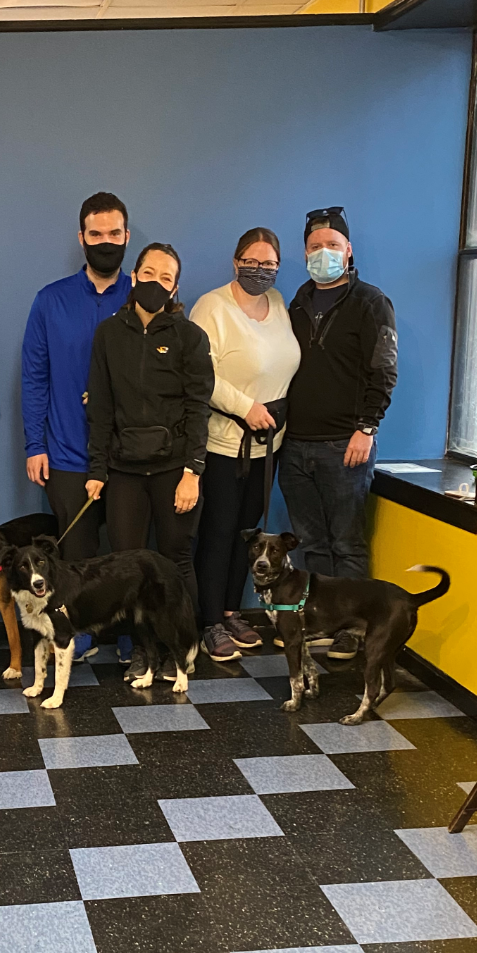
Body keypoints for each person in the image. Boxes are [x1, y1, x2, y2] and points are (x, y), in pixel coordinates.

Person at [85, 242, 213, 680]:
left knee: (177, 559)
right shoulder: (107, 334)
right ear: (133, 275)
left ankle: (184, 647)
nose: (155, 282)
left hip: (176, 469)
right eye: (148, 273)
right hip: (123, 472)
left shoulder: (190, 337)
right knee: (127, 565)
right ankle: (142, 653)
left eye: (166, 277)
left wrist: (193, 472)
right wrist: (97, 470)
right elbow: (100, 407)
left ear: (176, 287)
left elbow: (199, 408)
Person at [278, 205, 398, 660]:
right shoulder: (297, 303)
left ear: (348, 250)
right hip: (295, 446)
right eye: (314, 246)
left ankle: (355, 627)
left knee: (347, 544)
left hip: (345, 445)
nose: (322, 252)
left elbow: (383, 371)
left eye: (332, 245)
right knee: (311, 544)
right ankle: (320, 622)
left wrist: (367, 427)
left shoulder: (371, 302)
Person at [22, 191, 131, 661]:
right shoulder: (51, 301)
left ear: (127, 237)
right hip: (66, 453)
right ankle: (79, 638)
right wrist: (34, 444)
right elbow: (34, 376)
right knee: (77, 561)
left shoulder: (145, 297)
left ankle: (132, 639)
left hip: (131, 457)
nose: (105, 242)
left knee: (128, 554)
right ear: (81, 238)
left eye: (114, 234)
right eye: (96, 234)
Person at [190, 227, 301, 663]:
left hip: (268, 445)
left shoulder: (277, 304)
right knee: (218, 532)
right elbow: (201, 375)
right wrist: (246, 406)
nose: (260, 270)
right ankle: (210, 621)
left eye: (269, 263)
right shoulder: (211, 307)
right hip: (224, 442)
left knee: (248, 535)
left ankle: (234, 610)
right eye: (251, 262)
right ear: (236, 261)